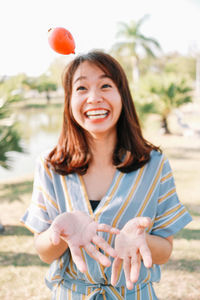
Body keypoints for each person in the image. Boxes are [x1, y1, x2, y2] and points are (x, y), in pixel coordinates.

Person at [21, 51, 192, 300]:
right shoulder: (50, 165)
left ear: (122, 95)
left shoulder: (155, 164)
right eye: (81, 88)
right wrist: (59, 233)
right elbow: (45, 252)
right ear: (69, 100)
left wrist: (140, 239)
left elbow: (165, 251)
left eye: (105, 85)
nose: (94, 98)